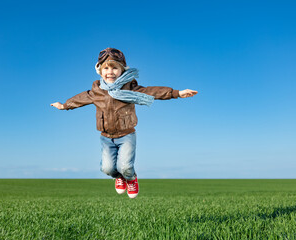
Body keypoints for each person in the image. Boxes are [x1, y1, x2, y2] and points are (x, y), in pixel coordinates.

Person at [51, 47, 198, 198]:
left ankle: (131, 178)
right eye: (106, 68)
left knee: (125, 166)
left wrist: (176, 93)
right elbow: (80, 99)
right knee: (107, 168)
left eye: (115, 67)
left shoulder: (130, 89)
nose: (110, 71)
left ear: (122, 70)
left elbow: (152, 91)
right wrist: (64, 105)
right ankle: (119, 178)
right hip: (106, 137)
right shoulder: (96, 92)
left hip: (127, 135)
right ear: (100, 71)